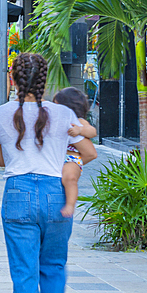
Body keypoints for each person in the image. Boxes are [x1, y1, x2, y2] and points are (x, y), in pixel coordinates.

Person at [0, 53, 97, 293]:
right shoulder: (63, 113)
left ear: (13, 79)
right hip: (55, 192)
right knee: (54, 267)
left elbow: (2, 161)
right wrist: (67, 162)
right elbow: (89, 150)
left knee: (24, 274)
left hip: (17, 192)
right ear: (45, 81)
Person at [51, 87, 98, 218]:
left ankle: (70, 204)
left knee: (70, 178)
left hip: (72, 158)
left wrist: (80, 130)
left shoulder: (79, 122)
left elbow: (92, 132)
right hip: (58, 157)